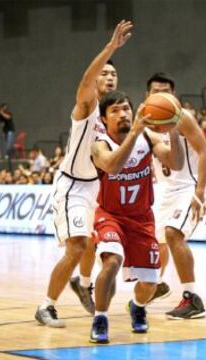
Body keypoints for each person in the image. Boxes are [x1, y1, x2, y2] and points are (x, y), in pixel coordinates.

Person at [35, 20, 133, 328]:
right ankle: (46, 306)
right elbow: (87, 78)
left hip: (97, 188)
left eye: (113, 73)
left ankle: (83, 282)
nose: (108, 76)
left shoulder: (115, 113)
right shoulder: (88, 106)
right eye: (104, 72)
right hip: (73, 186)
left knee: (95, 243)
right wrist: (111, 48)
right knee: (77, 246)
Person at [89, 91, 184, 343]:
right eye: (115, 111)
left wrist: (172, 130)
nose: (123, 114)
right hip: (110, 215)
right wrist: (134, 132)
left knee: (150, 283)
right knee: (112, 261)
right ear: (104, 119)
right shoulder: (99, 144)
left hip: (142, 218)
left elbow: (176, 163)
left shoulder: (148, 136)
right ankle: (100, 317)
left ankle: (137, 306)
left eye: (126, 109)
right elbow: (112, 166)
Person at [146, 72, 206, 319]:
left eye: (166, 91)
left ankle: (192, 299)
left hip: (193, 184)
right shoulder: (143, 121)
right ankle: (156, 284)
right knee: (156, 241)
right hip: (168, 188)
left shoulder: (182, 117)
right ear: (148, 95)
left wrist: (199, 192)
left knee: (173, 233)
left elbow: (205, 153)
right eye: (156, 91)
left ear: (173, 95)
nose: (161, 95)